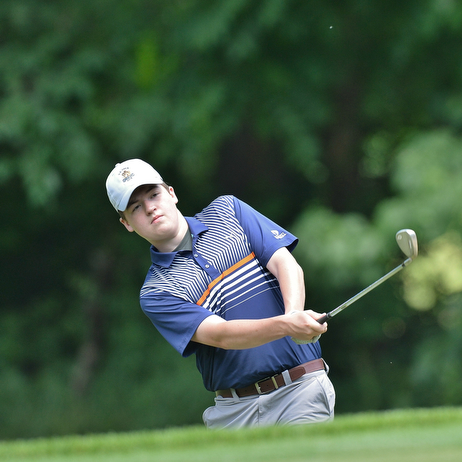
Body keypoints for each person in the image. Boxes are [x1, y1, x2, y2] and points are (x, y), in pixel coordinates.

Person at [105, 159, 335, 428]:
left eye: (153, 195)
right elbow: (221, 335)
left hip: (300, 390)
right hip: (235, 413)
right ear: (127, 223)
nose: (149, 208)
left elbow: (286, 264)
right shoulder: (157, 291)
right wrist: (287, 325)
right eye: (136, 207)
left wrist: (294, 313)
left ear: (171, 193)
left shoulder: (228, 211)